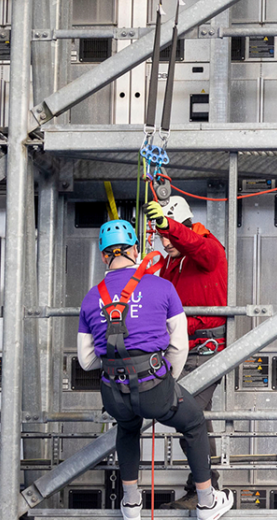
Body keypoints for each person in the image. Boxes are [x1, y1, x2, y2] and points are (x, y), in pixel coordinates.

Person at [76, 219, 234, 520]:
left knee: (127, 427)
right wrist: (166, 381)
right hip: (155, 386)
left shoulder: (90, 297)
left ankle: (132, 504)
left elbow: (86, 361)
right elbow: (179, 346)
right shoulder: (162, 287)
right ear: (136, 250)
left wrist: (116, 365)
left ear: (102, 255)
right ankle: (206, 502)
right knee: (194, 422)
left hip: (113, 391)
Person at [146, 194, 229, 509]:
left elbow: (198, 246)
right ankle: (204, 489)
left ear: (184, 226)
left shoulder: (208, 248)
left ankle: (203, 491)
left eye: (169, 234)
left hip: (207, 349)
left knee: (189, 412)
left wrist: (169, 226)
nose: (165, 241)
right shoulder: (171, 262)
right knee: (195, 415)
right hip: (180, 348)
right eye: (162, 236)